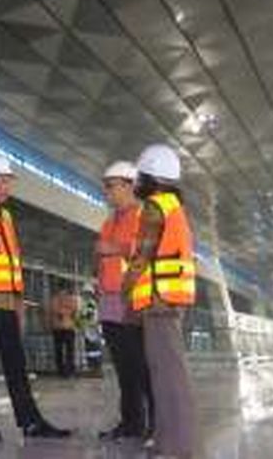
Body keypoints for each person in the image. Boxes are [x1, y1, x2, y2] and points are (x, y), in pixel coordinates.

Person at [0, 155, 71, 442]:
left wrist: (20, 300)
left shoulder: (7, 217)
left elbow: (13, 261)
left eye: (9, 181)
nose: (8, 187)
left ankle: (31, 421)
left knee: (16, 365)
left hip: (8, 304)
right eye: (4, 181)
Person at [121, 144, 197, 458]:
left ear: (152, 176)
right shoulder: (173, 207)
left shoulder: (155, 207)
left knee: (168, 378)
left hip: (161, 303)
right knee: (166, 375)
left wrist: (124, 288)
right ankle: (169, 442)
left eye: (139, 176)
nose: (136, 182)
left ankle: (179, 447)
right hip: (168, 302)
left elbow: (143, 256)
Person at [95, 161, 155, 441]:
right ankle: (131, 424)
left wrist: (115, 248)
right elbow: (102, 257)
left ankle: (155, 424)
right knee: (123, 369)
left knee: (142, 367)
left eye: (111, 185)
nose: (107, 191)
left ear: (130, 185)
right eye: (105, 186)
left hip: (133, 301)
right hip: (109, 302)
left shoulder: (145, 215)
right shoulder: (109, 221)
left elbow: (151, 251)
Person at [50, 289, 78, 378]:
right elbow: (55, 311)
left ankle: (66, 370)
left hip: (66, 327)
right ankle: (64, 370)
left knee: (67, 350)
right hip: (61, 327)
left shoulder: (69, 299)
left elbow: (74, 310)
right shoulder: (57, 300)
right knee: (62, 350)